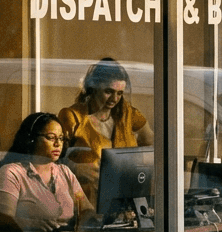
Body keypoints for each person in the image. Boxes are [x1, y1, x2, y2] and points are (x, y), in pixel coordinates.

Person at [57, 58, 154, 203]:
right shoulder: (73, 117)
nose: (114, 99)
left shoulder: (127, 114)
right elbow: (49, 159)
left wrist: (137, 168)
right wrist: (74, 168)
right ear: (93, 86)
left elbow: (152, 143)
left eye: (120, 93)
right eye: (108, 91)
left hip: (124, 201)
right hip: (86, 203)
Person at [0, 113, 91, 232]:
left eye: (61, 138)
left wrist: (88, 222)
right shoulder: (11, 173)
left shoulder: (65, 172)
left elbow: (87, 209)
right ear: (31, 139)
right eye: (51, 137)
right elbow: (2, 220)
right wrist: (31, 224)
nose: (58, 143)